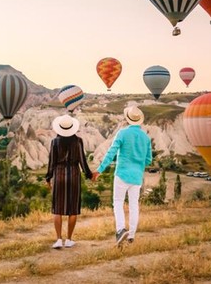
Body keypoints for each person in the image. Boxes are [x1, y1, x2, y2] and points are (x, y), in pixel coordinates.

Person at [92, 105, 153, 246]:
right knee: (133, 205)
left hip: (122, 174)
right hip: (137, 177)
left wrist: (100, 170)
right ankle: (131, 235)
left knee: (118, 202)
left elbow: (111, 153)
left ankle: (120, 230)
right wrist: (138, 162)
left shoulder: (122, 133)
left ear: (127, 119)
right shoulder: (146, 138)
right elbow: (149, 160)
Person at [46, 114, 93, 249]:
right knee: (73, 209)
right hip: (74, 175)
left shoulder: (55, 142)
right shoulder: (78, 141)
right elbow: (83, 162)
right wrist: (89, 175)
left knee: (57, 209)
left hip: (59, 175)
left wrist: (48, 178)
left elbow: (51, 162)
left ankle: (58, 240)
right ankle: (69, 240)